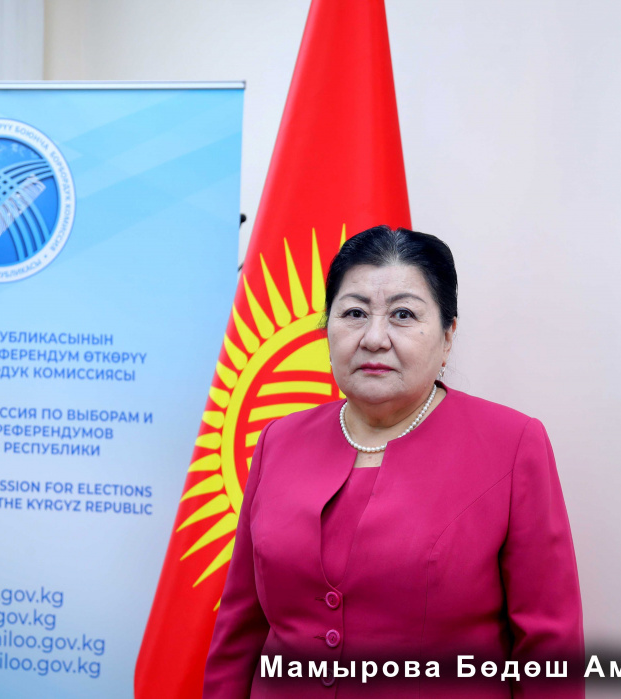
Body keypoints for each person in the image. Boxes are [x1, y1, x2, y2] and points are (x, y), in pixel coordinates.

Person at [203, 226, 584, 697]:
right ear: (326, 328)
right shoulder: (279, 441)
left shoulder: (512, 444)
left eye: (403, 314)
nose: (374, 338)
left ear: (448, 336)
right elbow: (240, 630)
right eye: (354, 313)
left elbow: (548, 648)